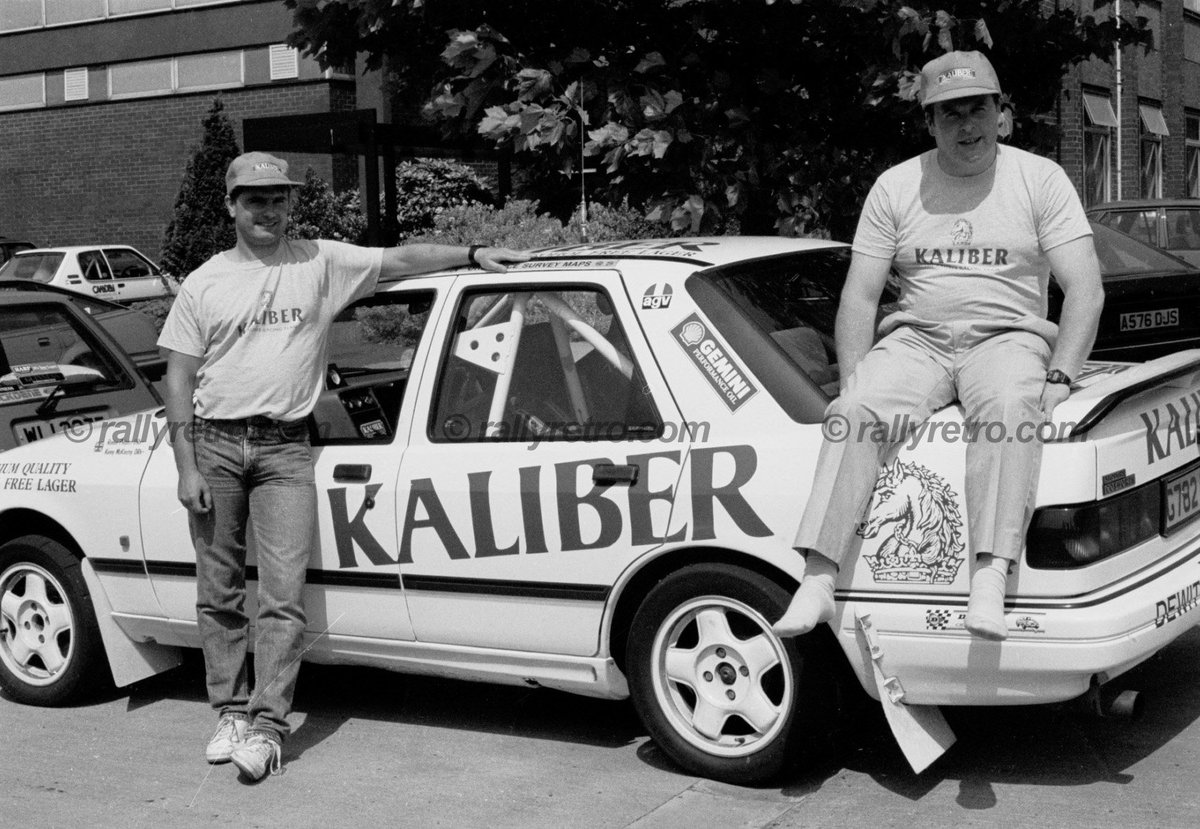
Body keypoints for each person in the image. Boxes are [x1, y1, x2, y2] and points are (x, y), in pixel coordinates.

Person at [157, 151, 528, 781]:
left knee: (281, 595)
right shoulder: (204, 282)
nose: (267, 209)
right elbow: (178, 375)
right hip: (215, 444)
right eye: (254, 199)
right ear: (231, 206)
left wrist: (471, 256)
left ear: (289, 204)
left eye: (278, 198)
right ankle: (227, 711)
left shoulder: (319, 261)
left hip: (285, 451)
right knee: (217, 591)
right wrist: (186, 465)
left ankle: (268, 727)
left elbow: (398, 259)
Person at [772, 51, 1103, 642]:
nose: (966, 125)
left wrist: (1060, 377)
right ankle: (818, 580)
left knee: (1007, 413)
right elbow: (860, 297)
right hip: (917, 341)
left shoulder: (1039, 179)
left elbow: (1085, 289)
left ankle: (990, 579)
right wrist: (856, 377)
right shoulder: (897, 186)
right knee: (850, 414)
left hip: (1008, 338)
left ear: (1001, 114)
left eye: (978, 109)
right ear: (929, 123)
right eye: (949, 114)